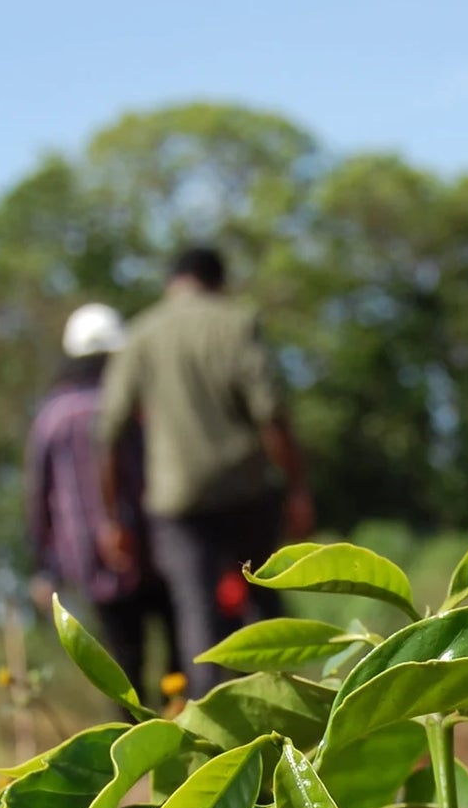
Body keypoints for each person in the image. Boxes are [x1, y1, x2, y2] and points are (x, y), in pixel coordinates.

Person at [97, 246, 314, 693]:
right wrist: (296, 488)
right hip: (245, 493)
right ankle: (282, 704)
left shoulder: (141, 334)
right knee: (262, 600)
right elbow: (270, 414)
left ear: (172, 281)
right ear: (219, 281)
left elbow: (109, 433)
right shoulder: (236, 323)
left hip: (177, 502)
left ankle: (210, 729)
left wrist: (114, 518)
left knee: (196, 615)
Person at [25, 304, 177, 698]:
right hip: (152, 550)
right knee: (179, 658)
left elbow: (38, 496)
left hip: (91, 561)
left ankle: (134, 749)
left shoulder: (51, 416)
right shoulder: (133, 404)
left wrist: (45, 566)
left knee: (124, 668)